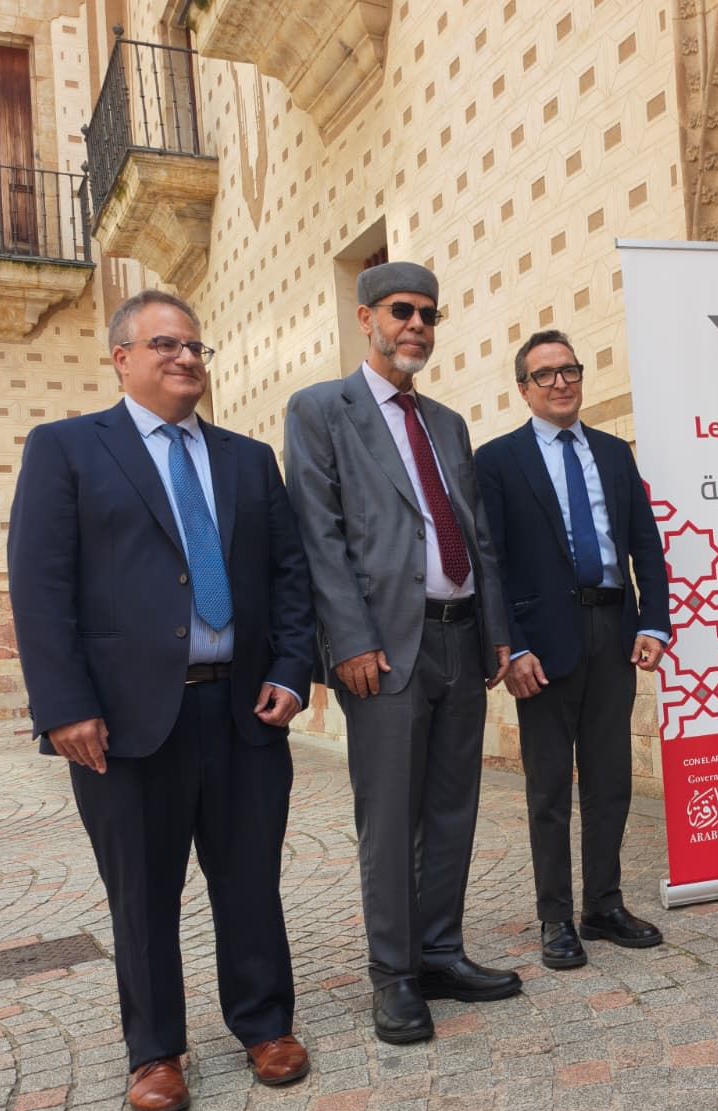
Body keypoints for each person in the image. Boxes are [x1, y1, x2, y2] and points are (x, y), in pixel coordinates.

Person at [7, 290, 317, 1111]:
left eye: (195, 346)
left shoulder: (249, 459)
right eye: (165, 345)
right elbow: (40, 586)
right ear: (122, 358)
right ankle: (155, 1052)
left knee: (250, 880)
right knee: (142, 893)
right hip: (125, 723)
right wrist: (64, 706)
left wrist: (293, 672)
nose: (186, 358)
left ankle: (265, 1026)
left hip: (244, 714)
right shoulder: (68, 449)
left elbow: (289, 576)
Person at [284, 262, 519, 1044]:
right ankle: (393, 975)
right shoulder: (322, 409)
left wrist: (495, 627)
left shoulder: (446, 422)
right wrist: (349, 638)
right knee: (389, 818)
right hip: (384, 649)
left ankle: (440, 952)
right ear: (367, 318)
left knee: (453, 807)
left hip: (459, 636)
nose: (416, 325)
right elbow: (318, 535)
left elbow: (476, 534)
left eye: (428, 314)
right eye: (401, 311)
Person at [474, 329, 671, 969]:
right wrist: (513, 647)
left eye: (570, 370)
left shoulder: (613, 454)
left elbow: (645, 542)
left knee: (611, 780)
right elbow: (491, 563)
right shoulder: (497, 461)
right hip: (543, 647)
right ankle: (556, 917)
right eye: (545, 374)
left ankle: (603, 905)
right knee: (550, 788)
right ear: (524, 388)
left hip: (613, 632)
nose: (561, 383)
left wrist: (654, 623)